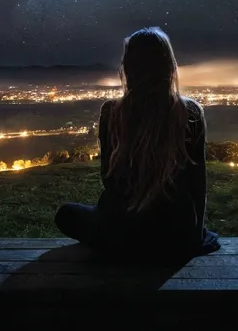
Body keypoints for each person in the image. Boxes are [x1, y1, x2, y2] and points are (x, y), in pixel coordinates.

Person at [55, 26, 220, 263]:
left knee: (67, 214)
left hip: (122, 230)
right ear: (168, 66)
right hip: (176, 233)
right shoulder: (189, 112)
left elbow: (108, 178)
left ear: (128, 67)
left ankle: (126, 245)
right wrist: (194, 236)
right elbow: (198, 183)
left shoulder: (111, 112)